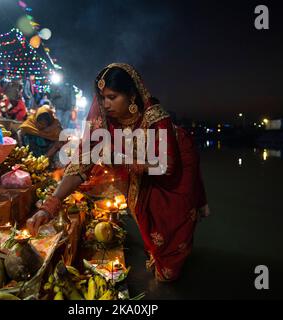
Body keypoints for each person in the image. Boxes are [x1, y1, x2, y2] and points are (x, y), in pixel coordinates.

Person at [27, 63, 210, 282]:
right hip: (142, 172)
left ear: (132, 95)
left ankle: (171, 255)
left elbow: (165, 166)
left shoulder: (155, 117)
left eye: (112, 97)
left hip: (177, 167)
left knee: (170, 245)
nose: (105, 104)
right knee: (146, 218)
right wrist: (49, 207)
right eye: (102, 98)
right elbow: (81, 164)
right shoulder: (102, 119)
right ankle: (157, 250)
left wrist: (119, 157)